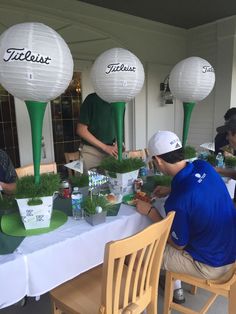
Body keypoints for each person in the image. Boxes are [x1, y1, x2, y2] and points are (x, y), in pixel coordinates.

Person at [135, 131, 236, 303]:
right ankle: (170, 283)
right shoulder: (203, 166)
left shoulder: (178, 202)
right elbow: (198, 186)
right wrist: (171, 189)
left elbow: (178, 245)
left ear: (158, 160)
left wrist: (151, 212)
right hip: (230, 250)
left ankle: (139, 303)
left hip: (213, 266)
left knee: (138, 253)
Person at [76, 93, 119, 173]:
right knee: (89, 184)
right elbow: (81, 130)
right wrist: (105, 147)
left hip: (111, 153)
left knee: (114, 184)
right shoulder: (92, 99)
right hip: (91, 152)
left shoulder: (120, 102)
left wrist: (118, 142)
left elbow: (118, 129)